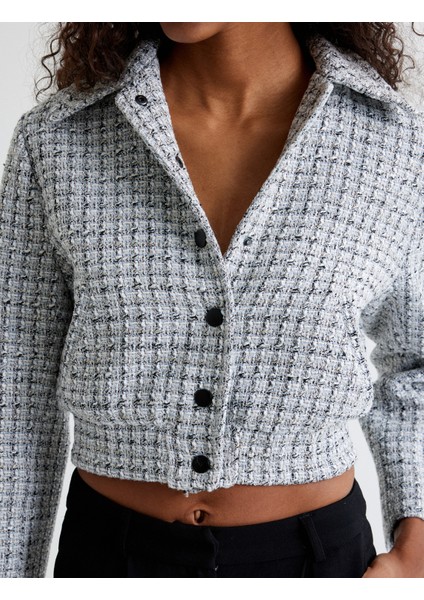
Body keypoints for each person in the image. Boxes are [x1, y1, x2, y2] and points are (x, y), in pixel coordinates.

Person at [0, 21, 423, 578]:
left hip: (319, 563)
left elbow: (416, 361)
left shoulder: (394, 142)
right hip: (108, 557)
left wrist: (417, 547)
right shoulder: (59, 139)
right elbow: (15, 386)